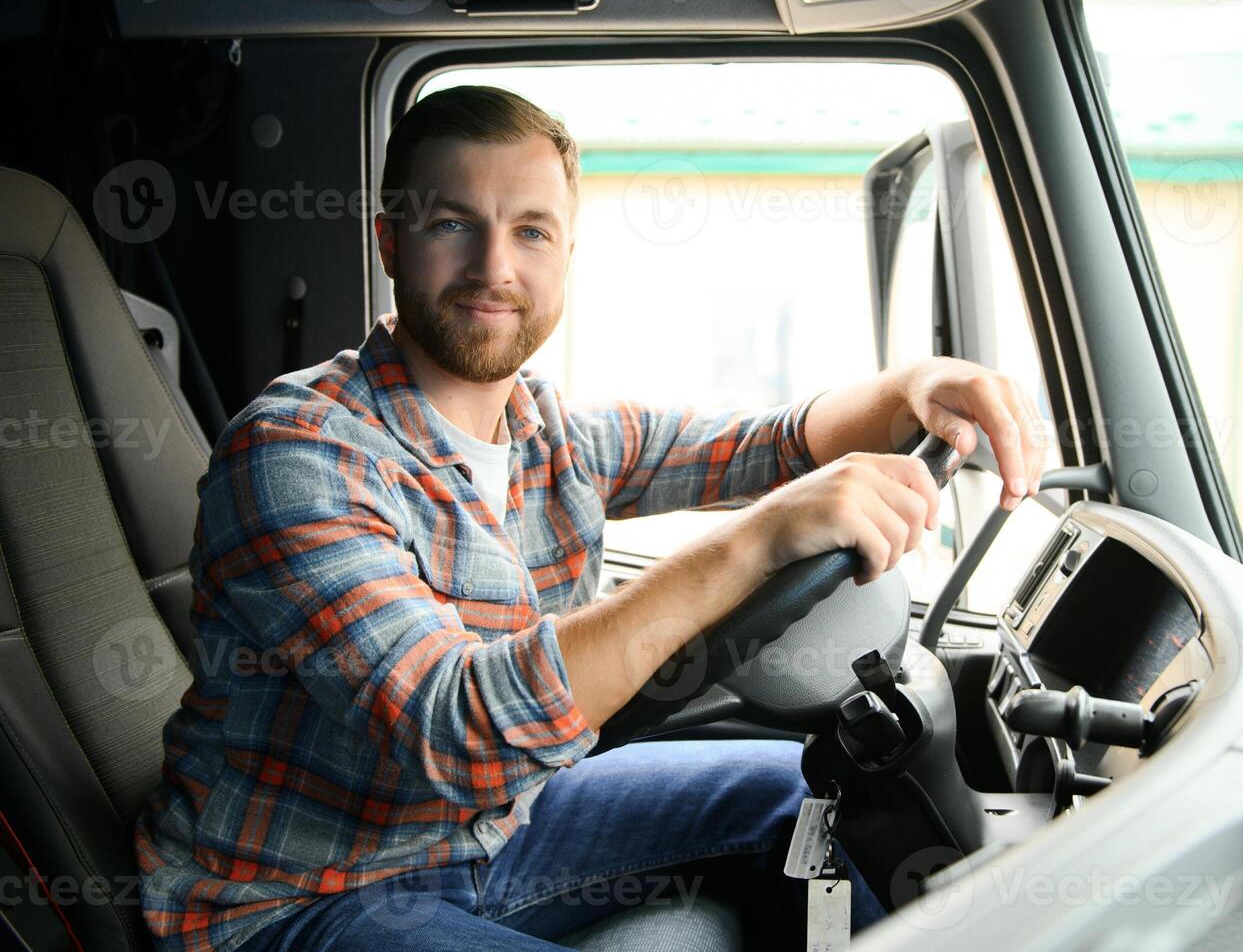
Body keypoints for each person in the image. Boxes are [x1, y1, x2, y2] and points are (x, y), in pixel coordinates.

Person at [133, 85, 1049, 951]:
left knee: (802, 794)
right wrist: (754, 541)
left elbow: (770, 444)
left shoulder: (546, 429)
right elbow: (454, 729)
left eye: (530, 231)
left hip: (494, 833)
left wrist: (915, 386)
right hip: (300, 898)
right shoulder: (296, 453)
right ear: (389, 240)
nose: (495, 268)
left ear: (564, 254)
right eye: (453, 224)